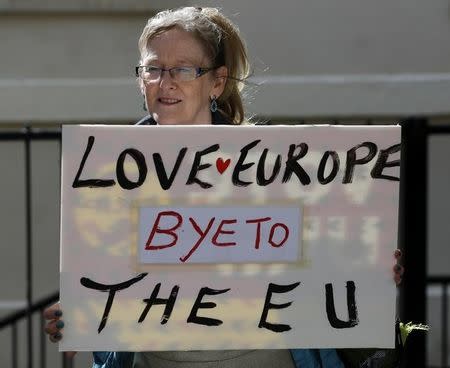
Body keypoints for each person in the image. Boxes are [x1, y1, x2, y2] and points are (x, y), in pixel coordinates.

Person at [44, 6, 404, 367]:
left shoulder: (274, 167)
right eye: (153, 68)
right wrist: (78, 313)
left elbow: (324, 258)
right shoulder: (106, 174)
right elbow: (104, 280)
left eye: (183, 69)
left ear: (217, 82)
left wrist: (365, 270)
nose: (165, 81)